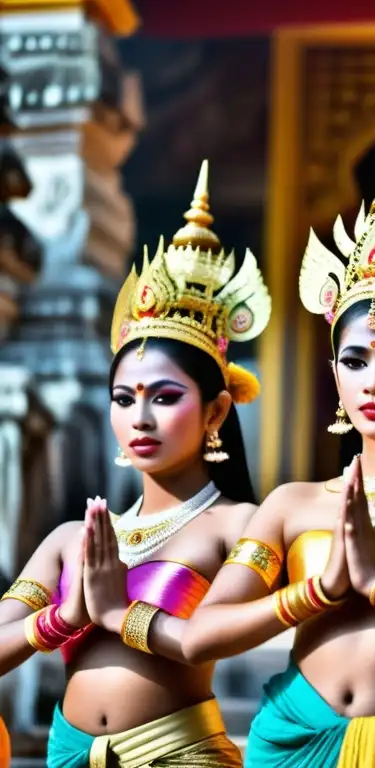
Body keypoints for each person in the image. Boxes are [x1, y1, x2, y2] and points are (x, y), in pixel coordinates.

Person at [181, 128, 375, 767]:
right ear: (334, 375)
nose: (373, 381)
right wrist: (318, 591)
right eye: (354, 360)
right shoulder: (292, 505)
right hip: (294, 736)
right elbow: (203, 634)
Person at [0, 161, 271, 767]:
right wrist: (64, 617)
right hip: (68, 751)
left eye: (166, 397)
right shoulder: (75, 540)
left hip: (179, 753)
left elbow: (210, 639)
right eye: (124, 399)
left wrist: (117, 610)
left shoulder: (240, 525)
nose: (140, 417)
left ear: (216, 411)